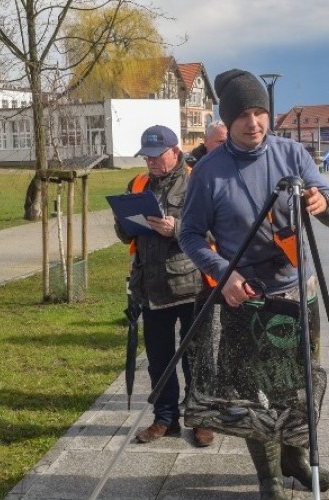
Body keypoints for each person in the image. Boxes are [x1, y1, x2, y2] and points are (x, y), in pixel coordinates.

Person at [179, 69, 329, 500]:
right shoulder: (209, 172)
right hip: (246, 297)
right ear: (227, 121)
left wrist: (323, 203)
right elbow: (189, 235)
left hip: (298, 291)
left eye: (260, 113)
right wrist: (223, 274)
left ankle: (296, 461)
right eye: (244, 115)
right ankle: (268, 476)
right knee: (257, 391)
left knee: (300, 383)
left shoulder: (293, 155)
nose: (254, 123)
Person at [113, 125, 214, 448]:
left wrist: (178, 228)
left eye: (157, 156)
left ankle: (200, 418)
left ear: (175, 152)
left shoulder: (199, 181)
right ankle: (165, 418)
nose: (151, 163)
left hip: (190, 284)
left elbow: (215, 232)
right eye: (147, 157)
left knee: (196, 356)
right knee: (159, 359)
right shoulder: (138, 183)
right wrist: (125, 223)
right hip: (151, 286)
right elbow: (126, 235)